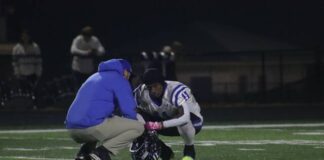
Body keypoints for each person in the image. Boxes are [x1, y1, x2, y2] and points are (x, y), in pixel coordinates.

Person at [65, 59, 145, 160]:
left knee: (101, 121)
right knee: (138, 128)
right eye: (129, 73)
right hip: (91, 128)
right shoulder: (119, 79)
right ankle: (101, 153)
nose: (129, 76)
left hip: (72, 129)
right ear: (125, 71)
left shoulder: (93, 76)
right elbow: (129, 111)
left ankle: (84, 153)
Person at [134, 68, 203, 160]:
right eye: (149, 87)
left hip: (193, 122)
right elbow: (130, 111)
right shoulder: (141, 92)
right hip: (162, 121)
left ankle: (189, 151)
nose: (153, 90)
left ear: (162, 83)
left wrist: (159, 125)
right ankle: (165, 152)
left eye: (155, 86)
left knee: (183, 122)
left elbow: (185, 117)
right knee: (134, 121)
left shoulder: (175, 90)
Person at [12, 30, 42, 108]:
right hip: (21, 75)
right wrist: (17, 73)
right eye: (23, 36)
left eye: (26, 36)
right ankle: (25, 108)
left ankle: (35, 107)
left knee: (33, 92)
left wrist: (38, 73)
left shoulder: (35, 47)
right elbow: (15, 63)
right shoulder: (16, 48)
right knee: (23, 93)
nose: (25, 37)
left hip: (32, 74)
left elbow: (38, 62)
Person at [70, 25, 105, 90]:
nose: (86, 38)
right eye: (85, 36)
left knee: (91, 88)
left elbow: (102, 51)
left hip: (89, 70)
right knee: (79, 89)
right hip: (78, 69)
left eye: (88, 36)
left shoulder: (94, 40)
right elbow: (72, 50)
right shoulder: (78, 39)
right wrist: (86, 53)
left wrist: (95, 51)